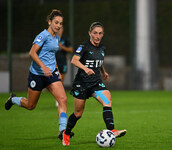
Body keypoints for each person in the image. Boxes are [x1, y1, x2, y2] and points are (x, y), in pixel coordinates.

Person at [5, 9, 71, 139]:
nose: (58, 25)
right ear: (49, 22)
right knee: (31, 105)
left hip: (51, 74)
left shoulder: (56, 37)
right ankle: (13, 99)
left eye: (61, 23)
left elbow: (51, 55)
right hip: (37, 75)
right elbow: (32, 53)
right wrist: (43, 67)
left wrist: (55, 67)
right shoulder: (43, 35)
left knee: (63, 100)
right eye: (56, 22)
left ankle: (63, 131)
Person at [61, 22, 127, 146]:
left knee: (107, 101)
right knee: (78, 114)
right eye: (95, 33)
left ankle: (112, 130)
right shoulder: (84, 46)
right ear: (90, 33)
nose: (97, 36)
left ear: (103, 34)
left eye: (100, 33)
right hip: (82, 84)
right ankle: (67, 133)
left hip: (96, 83)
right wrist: (85, 68)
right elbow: (74, 60)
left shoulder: (102, 48)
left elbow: (99, 61)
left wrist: (103, 71)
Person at [55, 27, 73, 107]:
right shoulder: (52, 38)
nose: (59, 30)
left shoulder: (65, 39)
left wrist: (62, 46)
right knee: (55, 81)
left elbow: (71, 49)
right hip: (53, 63)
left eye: (61, 28)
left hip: (62, 62)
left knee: (61, 80)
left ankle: (58, 99)